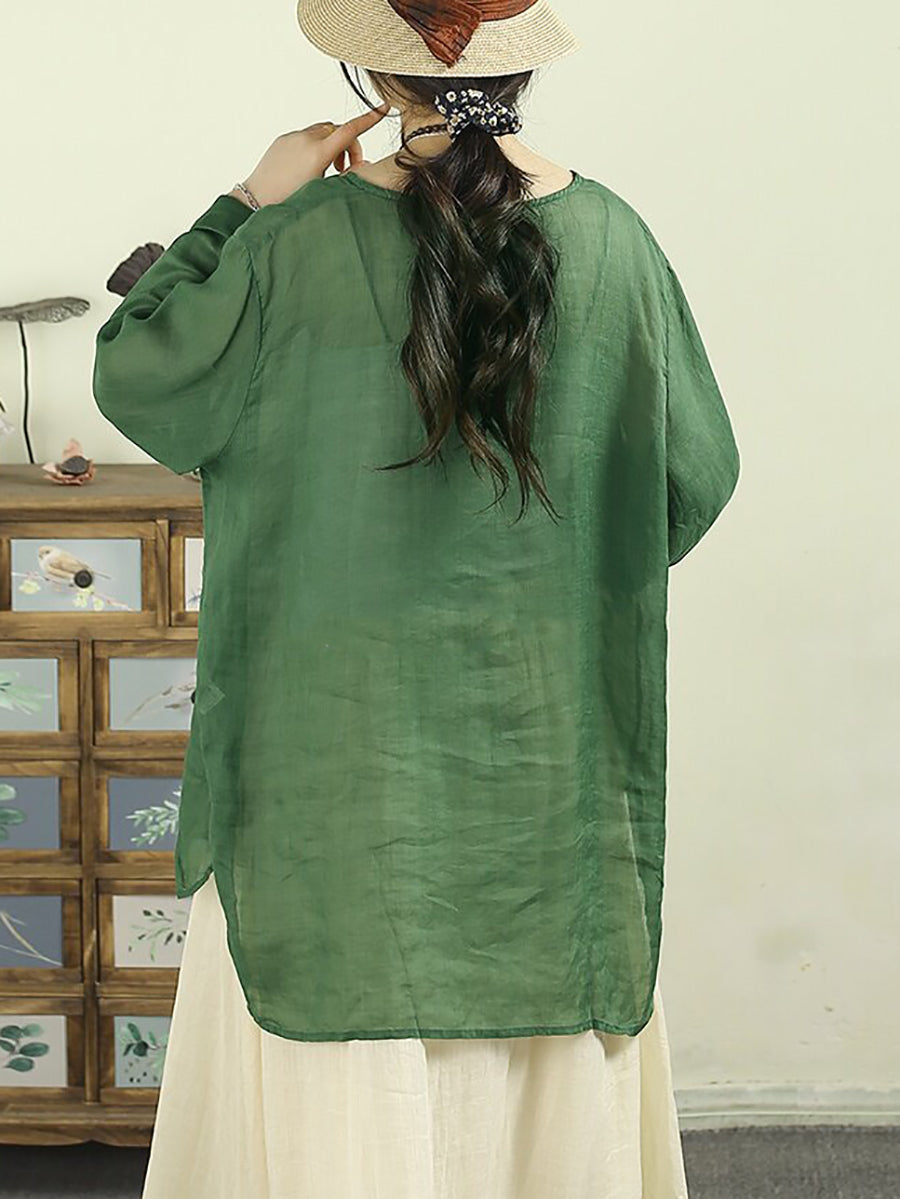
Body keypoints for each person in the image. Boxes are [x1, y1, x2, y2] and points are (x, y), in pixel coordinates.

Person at [91, 1, 740, 1195]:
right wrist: (553, 570)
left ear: (378, 78)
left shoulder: (290, 244)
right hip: (545, 752)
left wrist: (246, 198)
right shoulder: (616, 241)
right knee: (555, 960)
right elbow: (693, 480)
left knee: (324, 951)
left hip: (333, 762)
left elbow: (141, 369)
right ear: (520, 69)